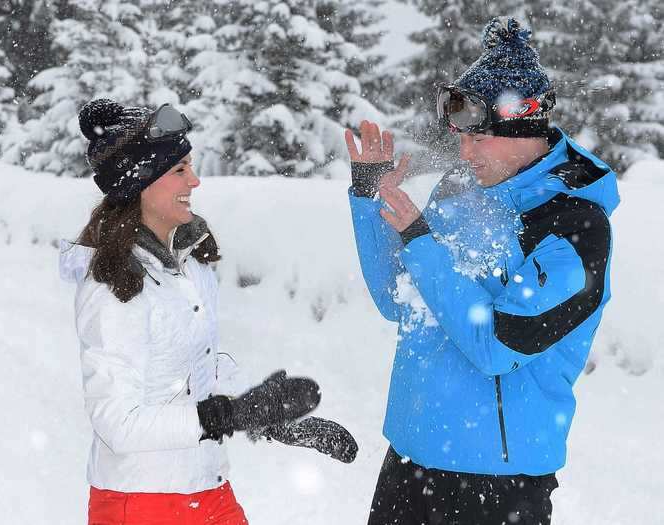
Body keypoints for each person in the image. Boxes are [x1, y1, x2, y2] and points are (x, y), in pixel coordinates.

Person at [345, 17, 619, 525]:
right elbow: (397, 300)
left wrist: (421, 242)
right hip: (409, 458)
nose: (464, 153)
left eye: (479, 139)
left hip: (497, 482)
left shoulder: (573, 225)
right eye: (460, 138)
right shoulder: (458, 189)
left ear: (525, 128)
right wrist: (369, 198)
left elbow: (498, 343)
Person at [60, 99, 357, 525]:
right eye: (179, 169)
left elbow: (198, 368)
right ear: (140, 182)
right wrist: (224, 416)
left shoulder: (189, 264)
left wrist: (264, 417)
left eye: (190, 166)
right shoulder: (115, 286)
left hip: (208, 488)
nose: (195, 180)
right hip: (143, 502)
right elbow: (116, 423)